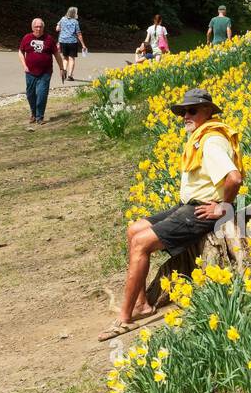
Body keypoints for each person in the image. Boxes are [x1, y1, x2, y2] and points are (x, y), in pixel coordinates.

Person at [98, 88, 243, 341]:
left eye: (192, 110)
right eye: (183, 111)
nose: (186, 115)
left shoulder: (210, 141)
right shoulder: (201, 136)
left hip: (201, 210)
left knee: (141, 244)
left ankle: (124, 318)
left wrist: (224, 207)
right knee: (133, 230)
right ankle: (142, 303)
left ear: (208, 112)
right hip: (187, 205)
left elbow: (234, 178)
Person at [19, 18, 54, 128]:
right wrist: (24, 66)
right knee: (30, 94)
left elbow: (57, 54)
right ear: (32, 27)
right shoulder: (27, 38)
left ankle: (40, 117)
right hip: (30, 72)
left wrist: (62, 68)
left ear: (43, 27)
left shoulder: (49, 39)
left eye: (40, 26)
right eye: (36, 26)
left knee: (41, 94)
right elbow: (20, 52)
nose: (38, 28)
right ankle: (33, 114)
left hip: (45, 72)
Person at [56, 7, 87, 82]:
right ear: (74, 13)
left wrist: (63, 29)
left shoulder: (62, 19)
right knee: (71, 58)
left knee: (65, 58)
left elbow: (57, 29)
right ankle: (70, 75)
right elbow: (79, 33)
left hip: (63, 41)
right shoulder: (75, 22)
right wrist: (83, 45)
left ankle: (64, 71)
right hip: (72, 42)